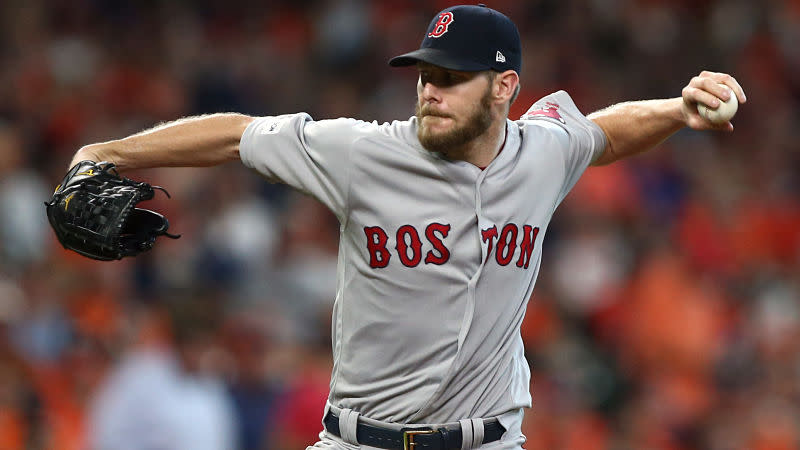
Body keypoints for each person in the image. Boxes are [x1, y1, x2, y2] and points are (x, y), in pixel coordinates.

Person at [66, 4, 746, 449]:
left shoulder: (542, 151)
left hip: (490, 438)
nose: (430, 90)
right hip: (361, 440)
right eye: (425, 75)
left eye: (451, 78)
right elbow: (236, 136)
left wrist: (675, 108)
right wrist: (109, 153)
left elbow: (601, 133)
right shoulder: (364, 153)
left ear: (504, 88)